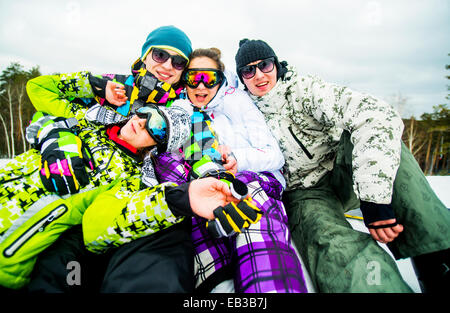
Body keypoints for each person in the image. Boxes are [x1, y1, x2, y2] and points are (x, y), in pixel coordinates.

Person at [234, 38, 450, 293]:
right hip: (304, 193)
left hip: (343, 170)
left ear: (277, 65)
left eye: (265, 65)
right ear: (241, 78)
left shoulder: (303, 90)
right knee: (335, 247)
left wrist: (374, 199)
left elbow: (375, 114)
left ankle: (436, 263)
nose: (259, 75)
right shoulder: (241, 110)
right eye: (249, 70)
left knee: (388, 147)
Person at [153, 48, 308, 293]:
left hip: (256, 178)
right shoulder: (184, 110)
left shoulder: (236, 102)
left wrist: (235, 157)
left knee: (245, 200)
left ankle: (269, 283)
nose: (201, 86)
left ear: (220, 79)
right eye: (194, 78)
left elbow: (274, 156)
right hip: (211, 181)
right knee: (202, 204)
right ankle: (219, 282)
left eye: (209, 78)